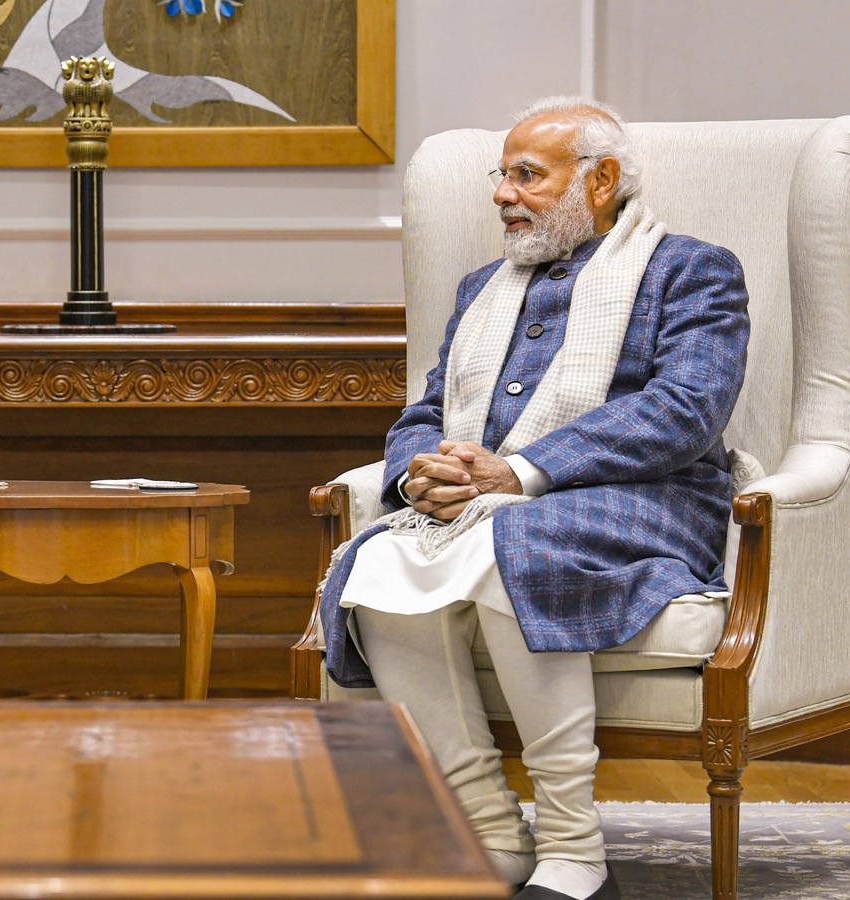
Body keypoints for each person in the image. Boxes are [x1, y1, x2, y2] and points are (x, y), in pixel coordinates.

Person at [317, 97, 749, 900]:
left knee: (508, 545)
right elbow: (427, 411)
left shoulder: (692, 269)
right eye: (501, 175)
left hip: (645, 503)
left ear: (602, 179)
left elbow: (687, 410)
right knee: (377, 564)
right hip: (490, 502)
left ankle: (574, 851)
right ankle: (486, 832)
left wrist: (520, 473)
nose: (502, 194)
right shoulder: (483, 287)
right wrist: (420, 473)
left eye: (528, 175)